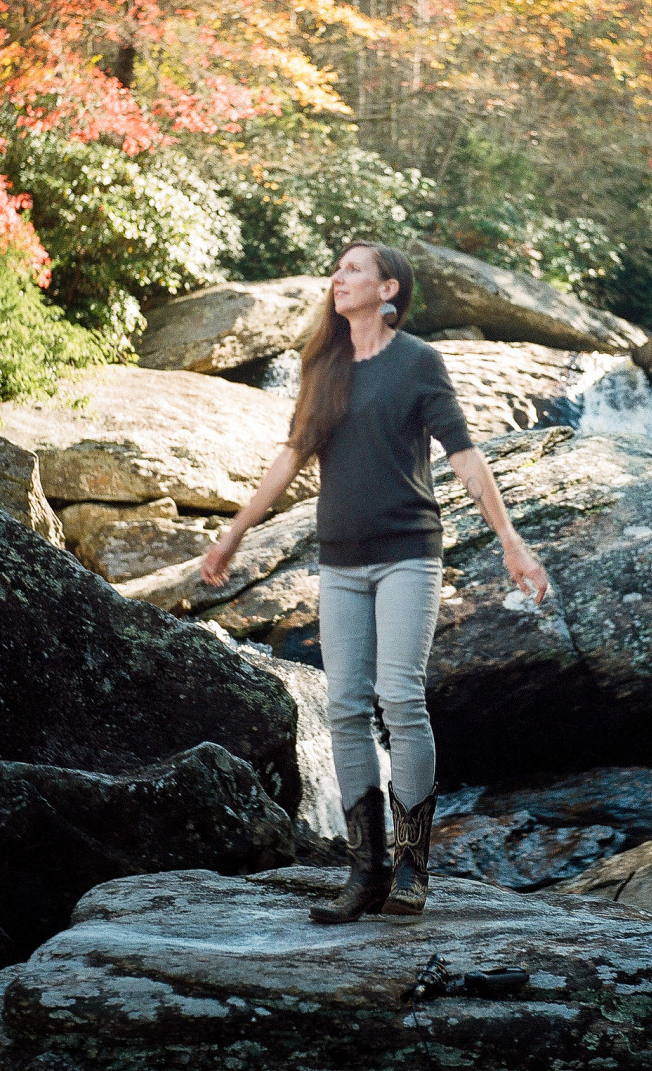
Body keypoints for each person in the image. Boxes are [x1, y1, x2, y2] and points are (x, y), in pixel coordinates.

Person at [201, 241, 549, 923]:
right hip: (340, 561)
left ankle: (412, 868)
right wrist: (234, 530)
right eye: (338, 269)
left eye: (354, 269)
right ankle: (364, 872)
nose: (340, 277)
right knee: (345, 707)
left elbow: (465, 457)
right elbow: (291, 456)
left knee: (400, 697)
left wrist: (512, 543)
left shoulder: (419, 361)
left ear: (389, 289)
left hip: (408, 554)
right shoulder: (323, 365)